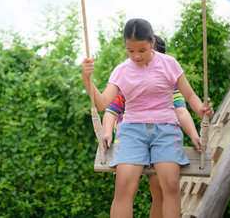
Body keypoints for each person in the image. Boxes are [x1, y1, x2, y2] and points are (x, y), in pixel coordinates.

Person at [82, 18, 213, 218]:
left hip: (166, 129)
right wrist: (87, 79)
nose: (136, 56)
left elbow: (189, 97)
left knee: (169, 185)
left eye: (141, 50)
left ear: (152, 43)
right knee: (124, 186)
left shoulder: (169, 64)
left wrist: (202, 110)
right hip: (132, 130)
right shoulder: (121, 70)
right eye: (130, 51)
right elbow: (102, 104)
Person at [103, 35, 200, 218]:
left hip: (160, 138)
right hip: (132, 139)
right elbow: (110, 111)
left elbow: (181, 111)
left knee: (162, 191)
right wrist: (107, 132)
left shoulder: (170, 86)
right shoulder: (128, 82)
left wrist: (195, 135)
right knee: (125, 189)